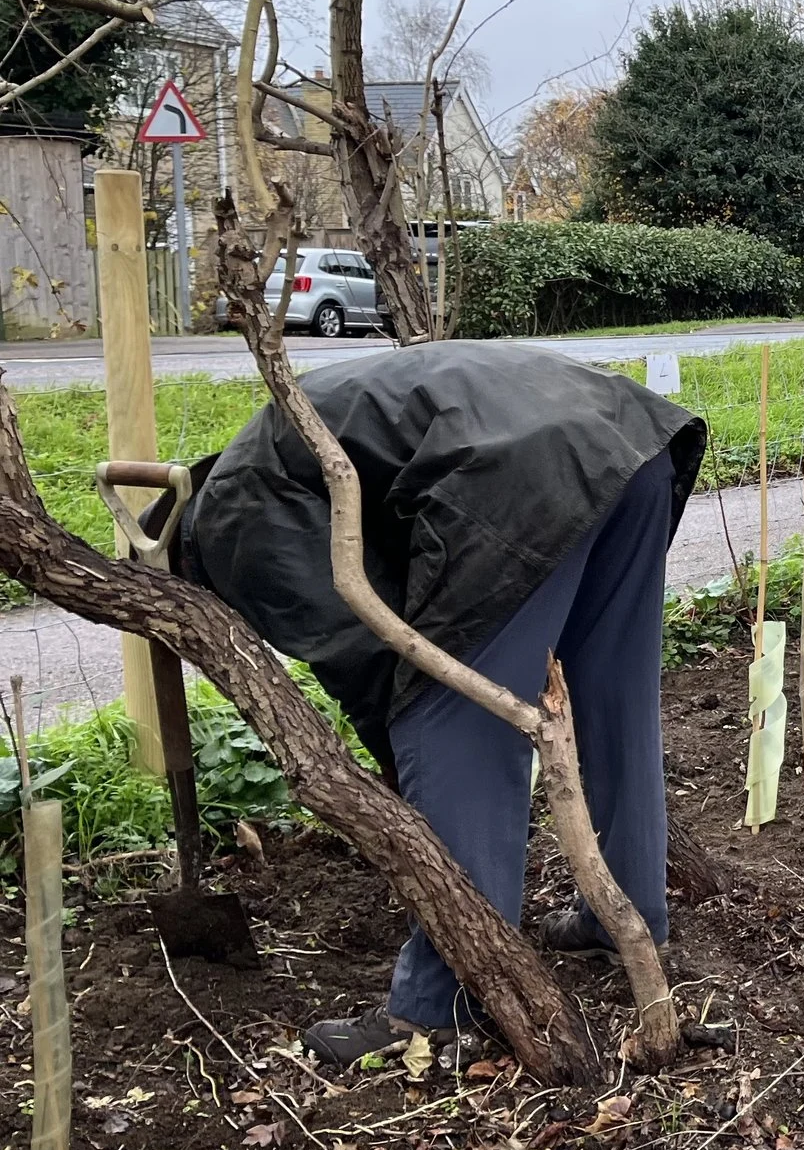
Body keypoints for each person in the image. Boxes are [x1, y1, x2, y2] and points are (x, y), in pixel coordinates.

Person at [174, 343, 707, 1065]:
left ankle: (441, 1004)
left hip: (520, 476)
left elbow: (364, 640)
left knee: (446, 719)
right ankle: (626, 916)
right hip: (630, 446)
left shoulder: (228, 517)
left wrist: (402, 751)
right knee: (614, 703)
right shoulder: (281, 445)